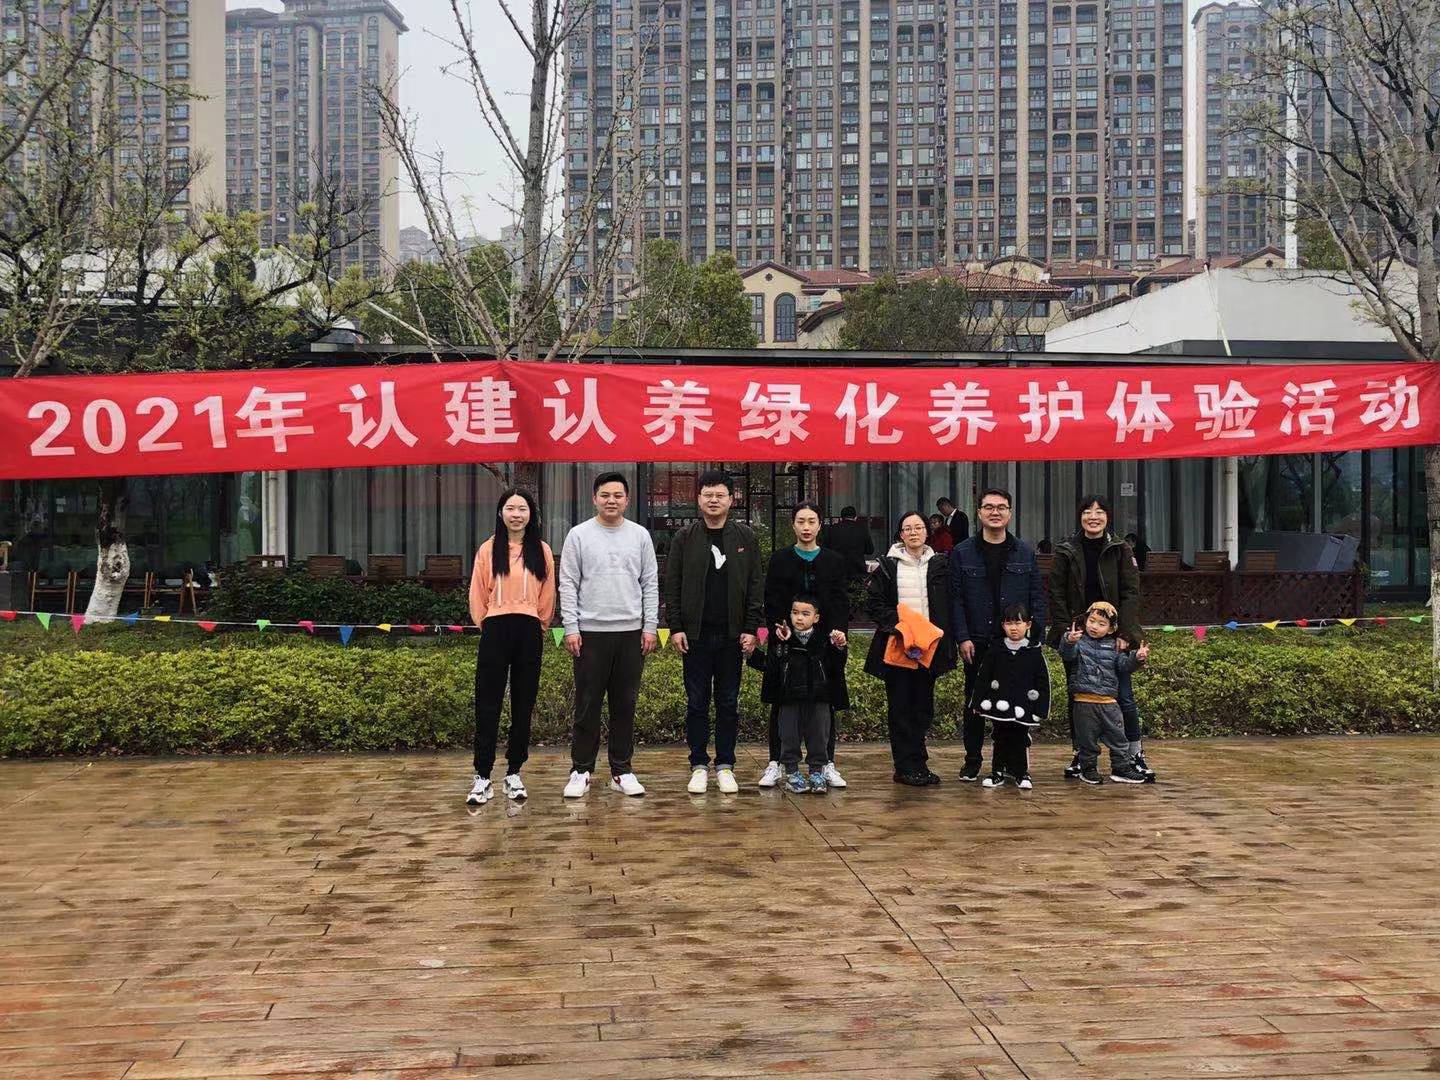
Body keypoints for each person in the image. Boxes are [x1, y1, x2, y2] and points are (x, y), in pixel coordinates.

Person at [558, 472, 659, 799]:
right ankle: (581, 770)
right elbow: (568, 583)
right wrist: (570, 626)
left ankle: (622, 770)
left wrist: (650, 625)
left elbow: (650, 583)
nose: (611, 500)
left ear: (627, 500)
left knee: (624, 705)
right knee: (587, 705)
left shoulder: (640, 535)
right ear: (594, 498)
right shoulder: (579, 535)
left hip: (631, 633)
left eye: (617, 495)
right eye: (605, 495)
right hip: (590, 633)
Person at [663, 469, 764, 794]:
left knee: (728, 702)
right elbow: (673, 585)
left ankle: (725, 765)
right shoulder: (685, 538)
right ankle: (698, 764)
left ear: (731, 499)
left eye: (720, 495)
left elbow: (755, 586)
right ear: (698, 499)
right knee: (696, 702)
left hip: (733, 636)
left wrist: (751, 628)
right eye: (708, 495)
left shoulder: (745, 537)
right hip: (695, 636)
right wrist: (676, 627)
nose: (714, 500)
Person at [1047, 496, 1152, 781]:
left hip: (1113, 637)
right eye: (1087, 511)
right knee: (1078, 698)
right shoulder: (1066, 549)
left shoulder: (1120, 549)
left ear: (1108, 516)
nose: (1093, 516)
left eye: (1099, 511)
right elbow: (1055, 593)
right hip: (1078, 636)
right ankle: (1081, 755)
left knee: (1124, 697)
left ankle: (1133, 754)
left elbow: (1131, 593)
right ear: (1079, 516)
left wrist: (1125, 633)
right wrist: (1067, 632)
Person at [949, 487, 1047, 782]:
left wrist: (1034, 636)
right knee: (975, 702)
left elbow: (1036, 597)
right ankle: (972, 760)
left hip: (1014, 642)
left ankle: (1010, 763)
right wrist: (962, 637)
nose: (995, 512)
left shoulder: (1024, 552)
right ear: (979, 512)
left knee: (1015, 702)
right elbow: (956, 599)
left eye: (1001, 507)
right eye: (989, 507)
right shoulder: (962, 552)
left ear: (1010, 513)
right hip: (978, 641)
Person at [466, 488, 556, 806]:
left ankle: (514, 771)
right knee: (487, 703)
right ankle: (482, 775)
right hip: (495, 628)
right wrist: (487, 622)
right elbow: (478, 592)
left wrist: (539, 624)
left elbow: (548, 594)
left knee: (523, 703)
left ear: (531, 514)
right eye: (510, 508)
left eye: (522, 509)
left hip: (529, 630)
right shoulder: (488, 549)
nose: (516, 514)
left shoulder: (541, 550)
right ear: (500, 513)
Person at [761, 501, 851, 789]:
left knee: (825, 702)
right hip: (786, 640)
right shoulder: (780, 559)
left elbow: (841, 601)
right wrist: (779, 628)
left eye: (812, 521)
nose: (806, 527)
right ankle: (776, 762)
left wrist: (838, 633)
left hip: (824, 644)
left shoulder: (833, 561)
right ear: (793, 525)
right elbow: (771, 598)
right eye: (801, 521)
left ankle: (826, 763)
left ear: (820, 525)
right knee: (782, 701)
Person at [864, 511, 956, 786]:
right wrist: (900, 626)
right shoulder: (888, 566)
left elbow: (950, 603)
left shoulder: (941, 564)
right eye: (908, 528)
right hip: (899, 646)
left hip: (930, 646)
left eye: (918, 527)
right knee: (901, 707)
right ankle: (904, 766)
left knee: (923, 708)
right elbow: (875, 604)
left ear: (927, 532)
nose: (913, 532)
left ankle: (919, 762)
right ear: (901, 534)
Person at [1059, 601, 1151, 785]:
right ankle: (1088, 769)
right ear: (1085, 621)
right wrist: (1069, 641)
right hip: (1084, 702)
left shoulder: (1113, 647)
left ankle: (1121, 768)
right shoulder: (1079, 643)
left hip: (1109, 702)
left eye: (1101, 624)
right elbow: (1067, 654)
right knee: (1087, 741)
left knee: (1118, 738)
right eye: (1092, 621)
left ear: (1110, 629)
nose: (1095, 626)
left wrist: (1137, 658)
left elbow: (1123, 666)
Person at [761, 594, 844, 794]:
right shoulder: (783, 638)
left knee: (819, 735)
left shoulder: (824, 640)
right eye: (795, 613)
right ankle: (792, 773)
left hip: (819, 697)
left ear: (816, 617)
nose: (799, 618)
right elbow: (770, 666)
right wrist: (777, 645)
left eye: (805, 614)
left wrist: (839, 647)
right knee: (789, 734)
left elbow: (836, 666)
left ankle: (817, 772)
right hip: (789, 697)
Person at [969, 603, 1050, 790]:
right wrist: (977, 702)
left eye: (1018, 623)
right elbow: (983, 677)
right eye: (1009, 623)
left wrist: (1041, 709)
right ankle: (997, 771)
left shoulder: (1034, 651)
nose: (1014, 628)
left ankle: (1021, 772)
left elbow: (1043, 682)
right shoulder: (995, 650)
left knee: (1020, 738)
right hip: (1000, 705)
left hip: (1024, 706)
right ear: (1003, 625)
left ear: (1028, 625)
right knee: (1000, 737)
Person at [821, 505, 875, 581]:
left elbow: (824, 549)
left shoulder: (832, 529)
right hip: (857, 573)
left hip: (836, 572)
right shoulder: (862, 529)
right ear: (855, 518)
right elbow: (870, 550)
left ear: (841, 518)